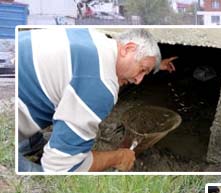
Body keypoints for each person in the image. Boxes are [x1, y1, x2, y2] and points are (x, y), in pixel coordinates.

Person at [17, 28, 177, 172]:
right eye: (142, 70)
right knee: (50, 180)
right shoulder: (100, 85)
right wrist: (118, 157)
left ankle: (33, 145)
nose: (139, 80)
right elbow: (62, 168)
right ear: (128, 49)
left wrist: (155, 65)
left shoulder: (94, 37)